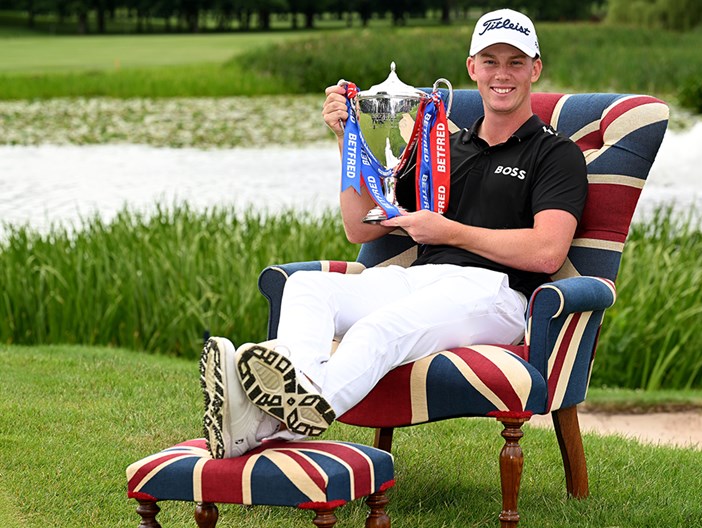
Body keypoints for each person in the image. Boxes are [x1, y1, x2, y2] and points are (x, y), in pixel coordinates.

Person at [200, 8, 588, 459]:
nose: (502, 74)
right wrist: (348, 139)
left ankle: (269, 424)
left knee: (376, 331)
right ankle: (274, 417)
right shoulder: (442, 145)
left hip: (496, 294)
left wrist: (449, 232)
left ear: (535, 69)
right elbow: (358, 225)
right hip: (420, 280)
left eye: (515, 62)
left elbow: (547, 252)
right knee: (306, 288)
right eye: (491, 61)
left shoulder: (556, 153)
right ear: (472, 68)